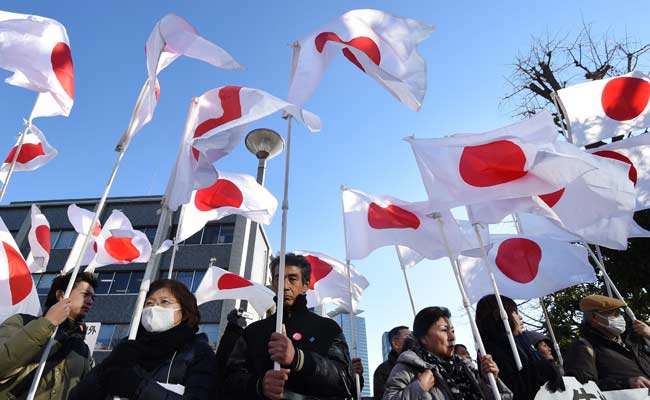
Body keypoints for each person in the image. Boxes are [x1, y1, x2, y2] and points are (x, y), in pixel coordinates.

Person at [224, 253, 356, 399]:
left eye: (292, 279)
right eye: (278, 278)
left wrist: (299, 359)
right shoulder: (253, 332)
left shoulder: (327, 328)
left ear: (305, 285)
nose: (285, 286)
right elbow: (229, 380)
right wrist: (258, 385)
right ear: (273, 284)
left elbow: (346, 380)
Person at [69, 279, 215, 399]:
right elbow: (78, 396)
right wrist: (110, 364)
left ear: (183, 312)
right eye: (149, 303)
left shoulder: (197, 352)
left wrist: (138, 388)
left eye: (164, 302)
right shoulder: (129, 345)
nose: (154, 308)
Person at [0, 271, 97, 400]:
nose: (90, 301)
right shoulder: (22, 322)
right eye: (85, 295)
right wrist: (48, 323)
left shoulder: (81, 349)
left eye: (93, 298)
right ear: (61, 295)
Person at [384, 306, 512, 400]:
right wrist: (418, 387)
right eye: (444, 330)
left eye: (453, 331)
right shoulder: (409, 366)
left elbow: (505, 397)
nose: (452, 337)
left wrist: (490, 381)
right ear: (423, 338)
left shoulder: (465, 366)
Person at [475, 295, 564, 400]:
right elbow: (514, 391)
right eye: (514, 312)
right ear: (499, 316)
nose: (520, 317)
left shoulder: (523, 343)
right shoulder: (491, 352)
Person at [563, 294, 650, 389]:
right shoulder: (582, 347)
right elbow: (583, 387)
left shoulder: (632, 341)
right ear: (594, 317)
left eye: (619, 313)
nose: (620, 317)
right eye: (614, 313)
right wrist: (626, 384)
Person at [373, 325, 409, 399]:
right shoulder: (383, 371)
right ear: (395, 344)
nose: (414, 340)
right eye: (408, 337)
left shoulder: (423, 364)